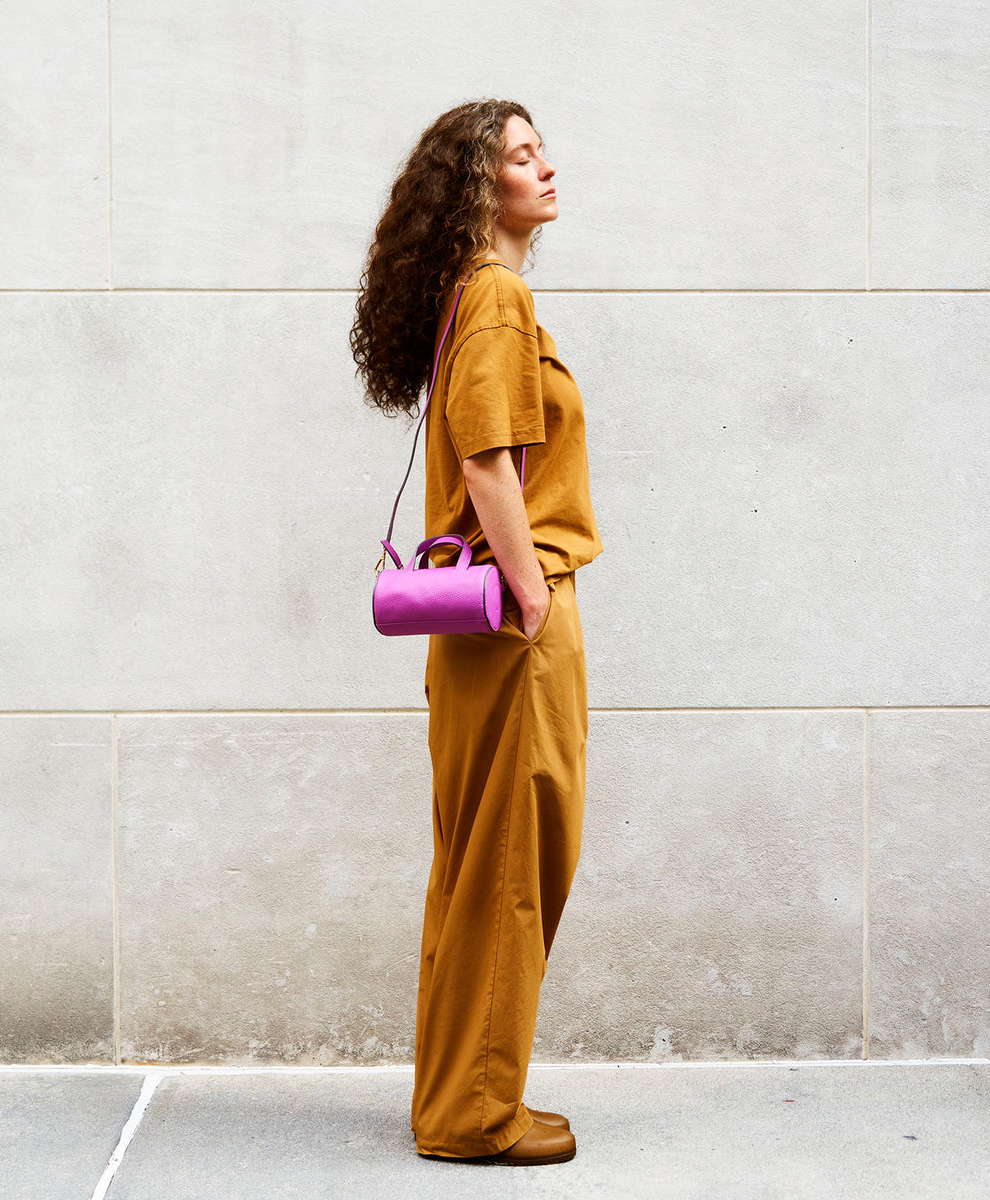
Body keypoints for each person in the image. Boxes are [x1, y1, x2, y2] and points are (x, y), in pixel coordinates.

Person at [351, 99, 604, 1166]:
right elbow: (487, 460)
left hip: (475, 636)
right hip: (513, 621)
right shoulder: (495, 296)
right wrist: (535, 600)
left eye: (542, 147)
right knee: (514, 863)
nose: (546, 165)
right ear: (476, 189)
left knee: (473, 864)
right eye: (519, 154)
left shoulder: (473, 298)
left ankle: (456, 1094)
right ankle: (476, 1114)